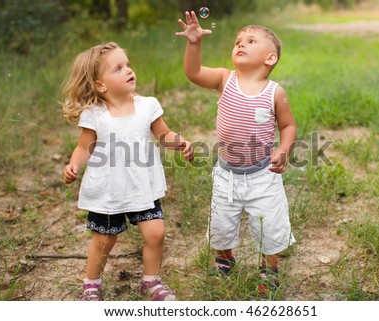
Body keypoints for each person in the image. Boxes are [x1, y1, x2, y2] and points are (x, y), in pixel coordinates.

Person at [61, 42, 194, 301]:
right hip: (108, 188)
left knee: (156, 233)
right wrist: (74, 164)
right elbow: (83, 146)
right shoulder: (95, 114)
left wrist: (180, 142)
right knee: (104, 240)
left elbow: (164, 135)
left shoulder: (148, 106)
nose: (128, 71)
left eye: (128, 65)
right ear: (100, 85)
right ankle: (91, 285)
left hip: (141, 185)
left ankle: (151, 282)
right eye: (118, 68)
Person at [176, 11, 296, 296]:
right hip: (227, 174)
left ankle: (269, 268)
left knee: (270, 224)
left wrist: (284, 149)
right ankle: (224, 259)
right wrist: (193, 43)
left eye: (251, 41)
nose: (240, 44)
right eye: (238, 40)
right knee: (221, 223)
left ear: (270, 58)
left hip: (262, 175)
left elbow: (288, 125)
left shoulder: (274, 92)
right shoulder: (224, 79)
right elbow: (193, 73)